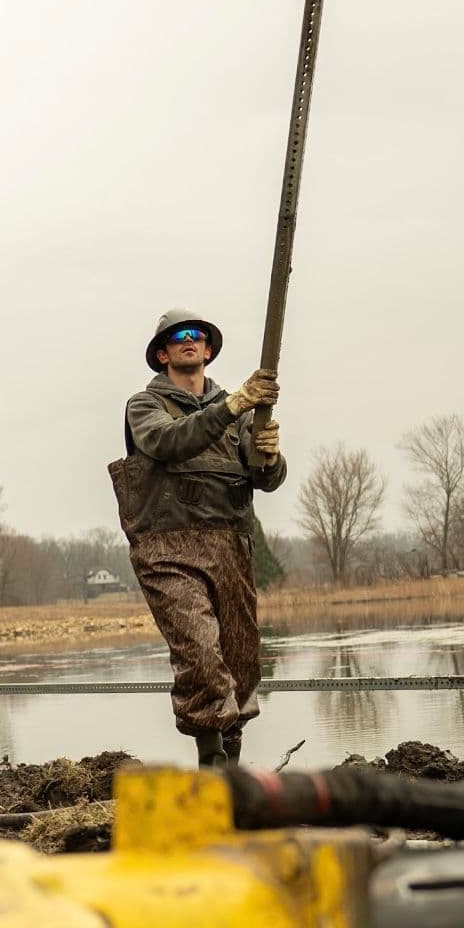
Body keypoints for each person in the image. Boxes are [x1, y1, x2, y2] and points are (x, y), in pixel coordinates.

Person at [109, 308, 286, 767]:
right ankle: (213, 767)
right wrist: (231, 407)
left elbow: (266, 479)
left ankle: (233, 765)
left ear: (208, 350)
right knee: (201, 655)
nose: (189, 340)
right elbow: (169, 443)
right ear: (163, 354)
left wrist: (269, 456)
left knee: (241, 661)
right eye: (178, 337)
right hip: (168, 548)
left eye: (197, 335)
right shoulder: (145, 407)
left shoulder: (241, 412)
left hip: (229, 544)